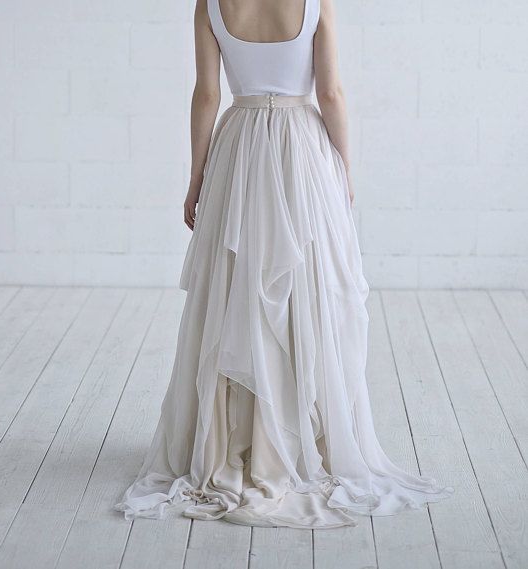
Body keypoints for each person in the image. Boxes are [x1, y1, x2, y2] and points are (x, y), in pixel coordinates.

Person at [114, 0, 454, 528]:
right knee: (303, 288)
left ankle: (238, 441)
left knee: (238, 288)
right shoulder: (317, 2)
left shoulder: (210, 3)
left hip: (239, 147)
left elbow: (207, 95)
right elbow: (331, 92)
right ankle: (299, 435)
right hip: (301, 149)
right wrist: (344, 169)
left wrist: (195, 176)